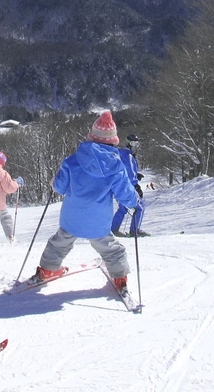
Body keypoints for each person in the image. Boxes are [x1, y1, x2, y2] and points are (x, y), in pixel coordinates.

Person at [30, 110, 139, 293]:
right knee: (112, 250)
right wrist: (134, 200)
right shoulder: (116, 167)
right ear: (113, 140)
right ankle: (120, 277)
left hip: (71, 219)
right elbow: (125, 195)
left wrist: (53, 183)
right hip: (99, 222)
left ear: (91, 136)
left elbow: (60, 187)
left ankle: (47, 270)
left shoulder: (72, 161)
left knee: (58, 244)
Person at [111, 134, 149, 237]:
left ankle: (113, 229)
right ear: (128, 143)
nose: (135, 146)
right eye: (133, 143)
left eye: (137, 144)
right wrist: (136, 186)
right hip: (127, 187)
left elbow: (124, 171)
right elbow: (129, 172)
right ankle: (134, 230)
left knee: (123, 208)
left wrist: (136, 175)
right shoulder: (128, 156)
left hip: (119, 187)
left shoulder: (121, 154)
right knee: (140, 207)